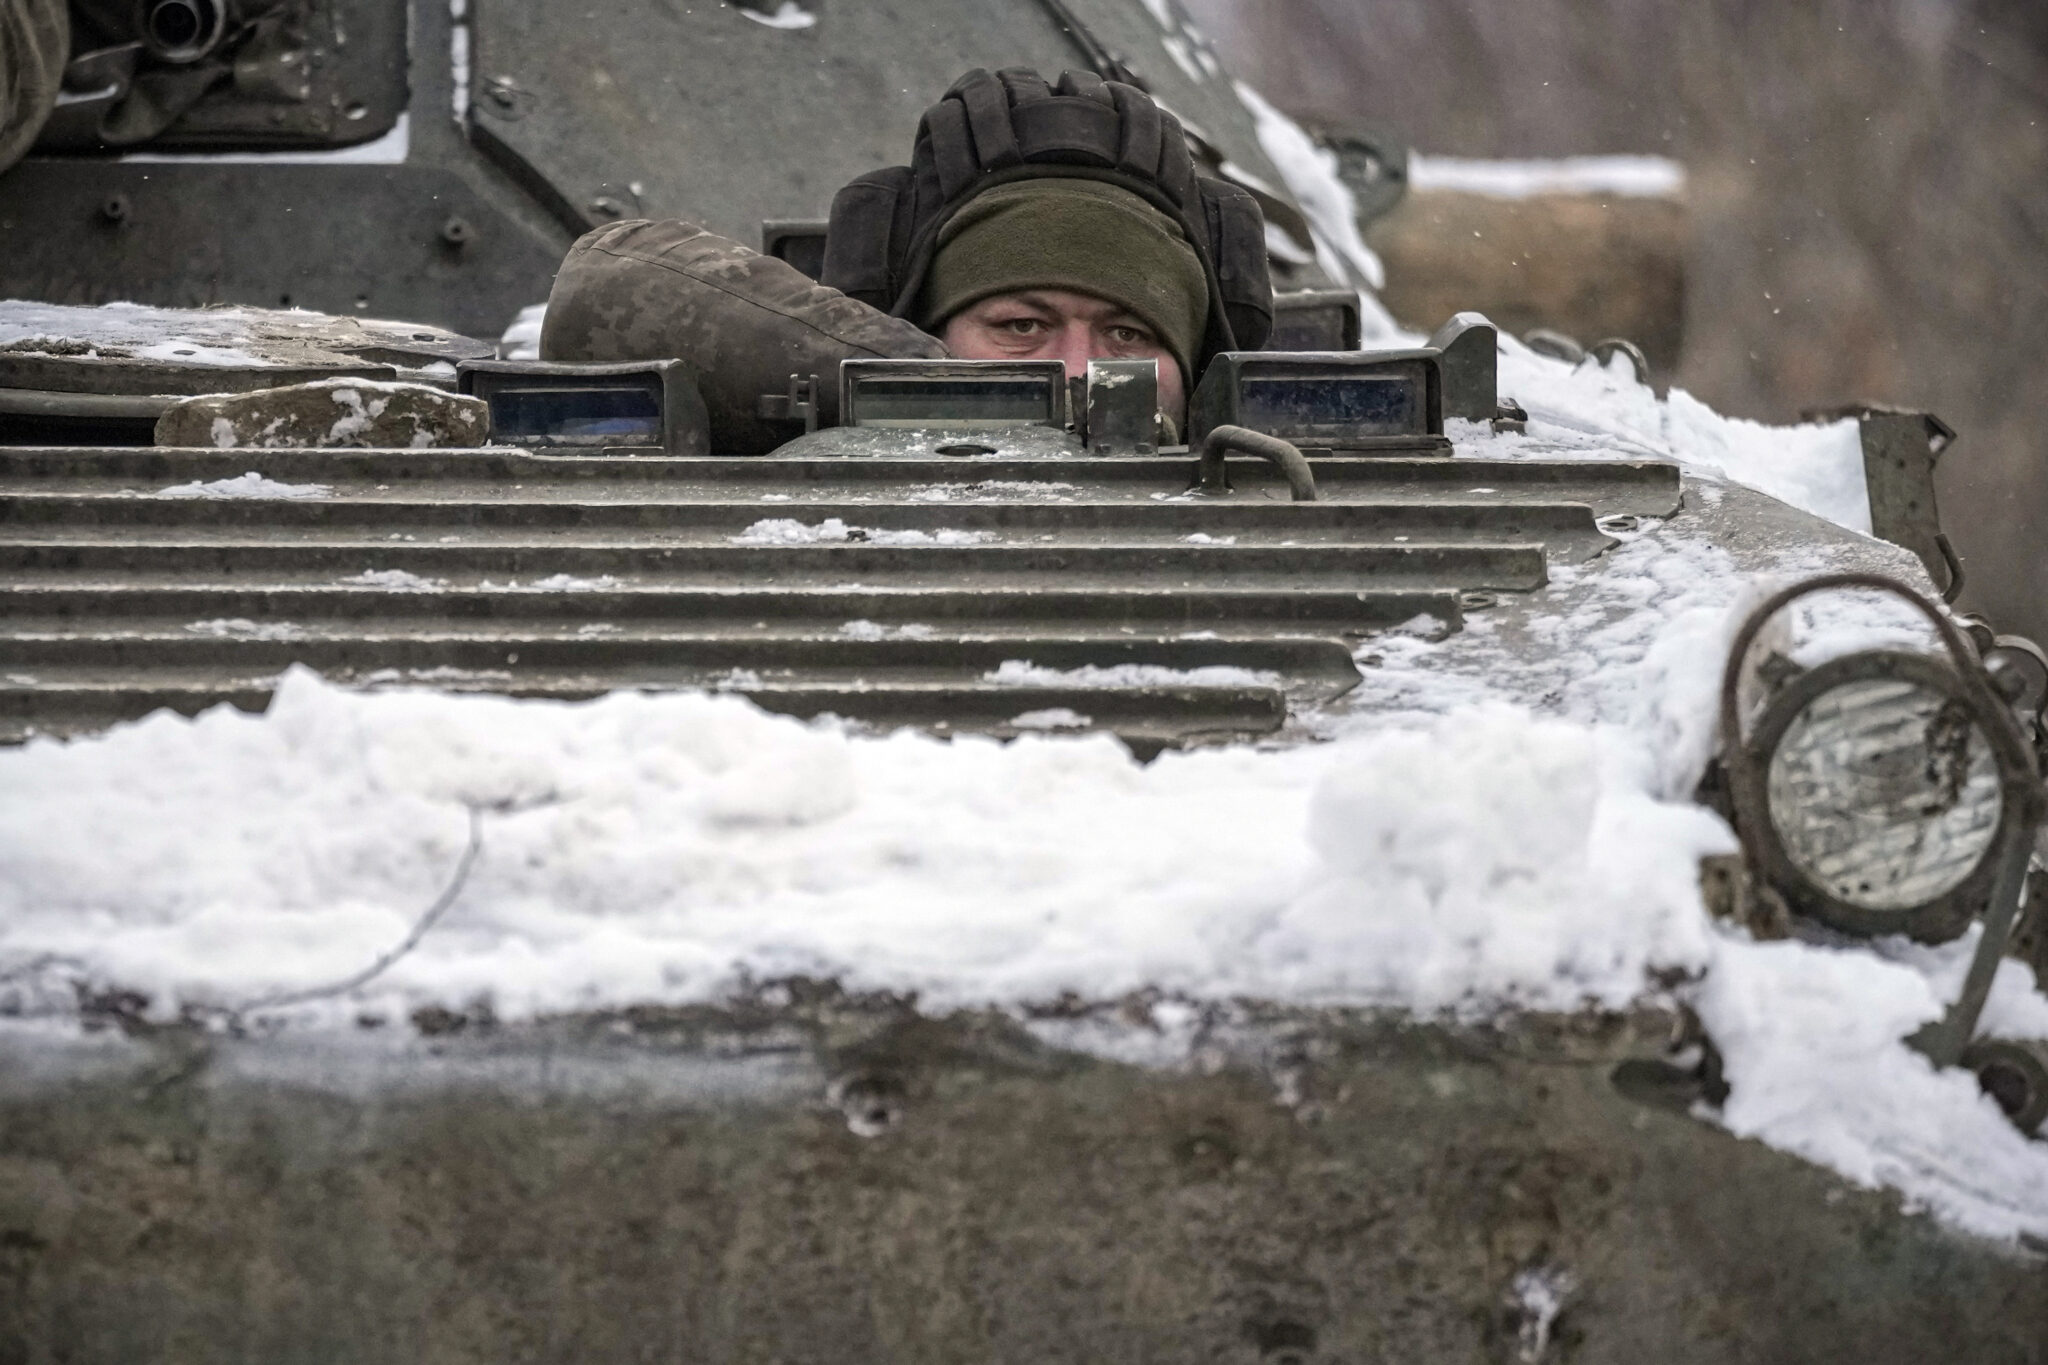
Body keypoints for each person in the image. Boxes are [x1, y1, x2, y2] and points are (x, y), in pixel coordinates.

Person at [540, 66, 1271, 451]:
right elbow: (610, 280)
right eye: (1020, 325)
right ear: (923, 333)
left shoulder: (1270, 475)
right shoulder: (853, 420)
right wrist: (939, 402)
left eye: (1130, 335)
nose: (1080, 370)